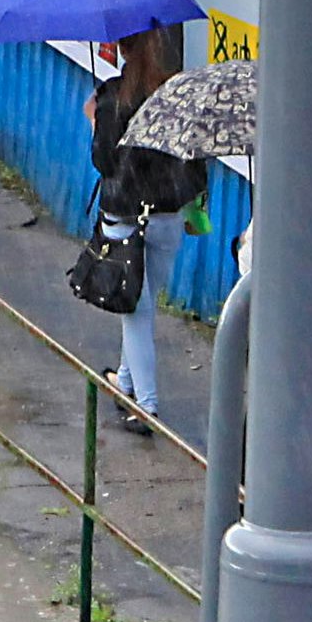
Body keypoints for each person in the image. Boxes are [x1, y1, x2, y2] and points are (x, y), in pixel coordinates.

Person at [89, 38, 210, 430]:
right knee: (142, 303)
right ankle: (124, 382)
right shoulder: (174, 93)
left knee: (135, 311)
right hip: (167, 217)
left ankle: (147, 406)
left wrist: (95, 119)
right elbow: (191, 157)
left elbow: (104, 160)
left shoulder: (113, 97)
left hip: (126, 216)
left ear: (121, 49)